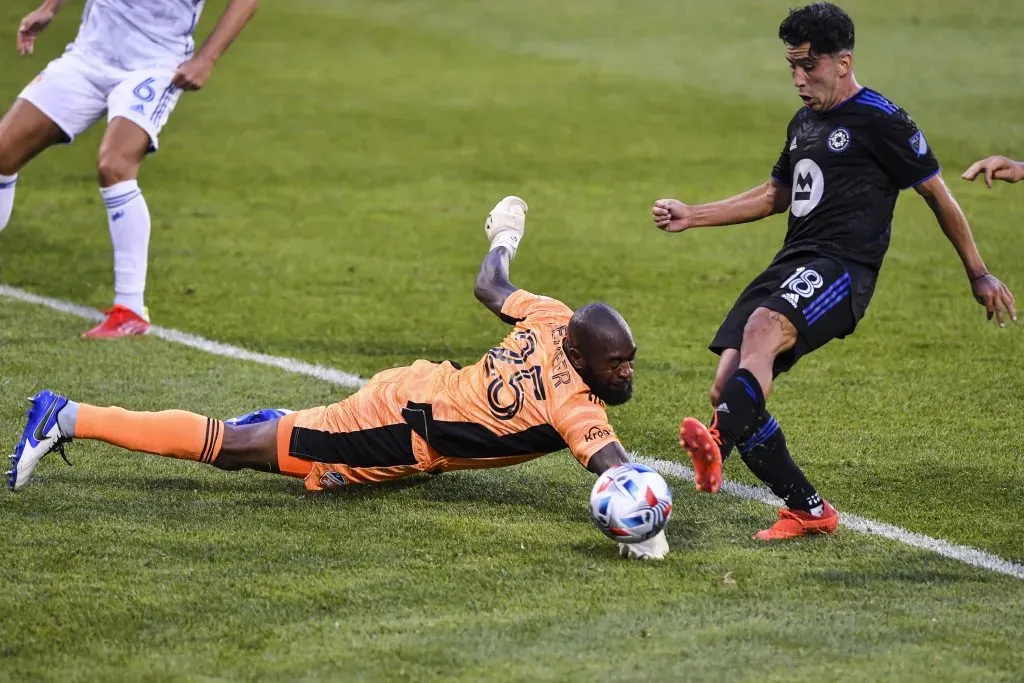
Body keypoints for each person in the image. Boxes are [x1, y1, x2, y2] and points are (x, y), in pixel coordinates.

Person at [7, 196, 669, 560]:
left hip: (413, 394)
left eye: (630, 359)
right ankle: (65, 414)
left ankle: (286, 430)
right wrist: (651, 529)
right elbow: (616, 471)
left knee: (307, 470)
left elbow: (488, 283)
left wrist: (505, 231)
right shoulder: (573, 401)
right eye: (618, 364)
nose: (628, 373)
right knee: (240, 453)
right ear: (582, 358)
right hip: (397, 431)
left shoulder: (553, 316)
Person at [650, 2, 1016, 540]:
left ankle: (716, 445)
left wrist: (978, 273)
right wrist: (694, 214)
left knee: (760, 332)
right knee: (728, 384)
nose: (798, 79)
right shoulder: (804, 121)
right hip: (792, 262)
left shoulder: (881, 119)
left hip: (843, 269)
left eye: (809, 66)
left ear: (843, 62)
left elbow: (937, 195)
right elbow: (775, 194)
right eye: (791, 66)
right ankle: (805, 508)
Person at [0, 0, 259, 337]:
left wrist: (206, 59)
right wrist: (50, 7)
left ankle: (130, 309)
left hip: (154, 65)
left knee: (115, 165)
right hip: (88, 56)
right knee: (3, 151)